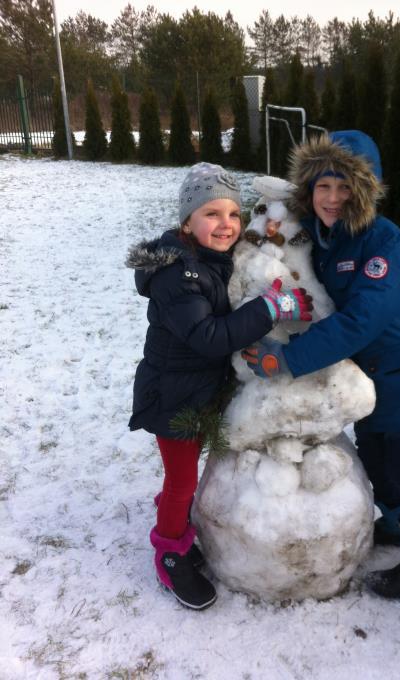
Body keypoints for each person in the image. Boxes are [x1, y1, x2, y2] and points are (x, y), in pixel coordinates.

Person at [241, 132, 400, 599]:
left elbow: (361, 319)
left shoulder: (383, 240)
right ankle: (396, 527)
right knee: (374, 455)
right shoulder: (324, 238)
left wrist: (289, 358)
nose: (332, 199)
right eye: (322, 187)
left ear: (364, 189)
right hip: (369, 375)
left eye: (343, 187)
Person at [126, 162, 312, 611]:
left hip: (198, 391)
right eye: (211, 214)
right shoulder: (179, 275)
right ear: (187, 221)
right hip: (173, 397)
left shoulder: (210, 260)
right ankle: (170, 551)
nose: (225, 225)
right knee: (181, 481)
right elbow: (209, 338)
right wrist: (272, 306)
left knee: (184, 480)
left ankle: (174, 513)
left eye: (232, 214)